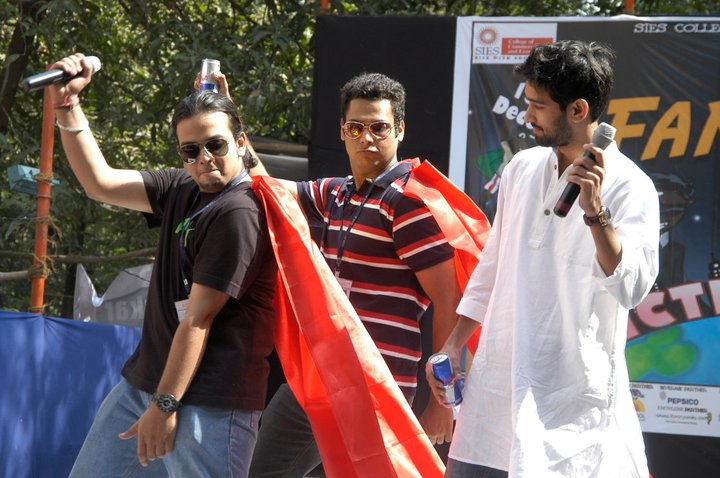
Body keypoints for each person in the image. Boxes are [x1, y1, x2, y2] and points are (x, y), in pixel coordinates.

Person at [427, 40, 660, 477]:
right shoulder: (521, 168)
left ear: (578, 110)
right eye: (527, 103)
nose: (527, 115)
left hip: (572, 408)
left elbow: (631, 288)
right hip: (495, 393)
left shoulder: (631, 186)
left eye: (538, 106)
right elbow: (493, 265)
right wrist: (454, 344)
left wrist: (595, 212)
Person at [50, 53, 277, 477]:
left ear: (241, 142)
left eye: (216, 144)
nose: (203, 158)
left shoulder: (240, 210)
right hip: (145, 386)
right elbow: (99, 182)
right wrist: (67, 105)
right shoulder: (181, 186)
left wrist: (165, 404)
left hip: (209, 402)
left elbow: (198, 319)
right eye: (190, 150)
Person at [248, 72, 463, 476]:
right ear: (342, 131)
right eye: (356, 128)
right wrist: (231, 128)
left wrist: (442, 402)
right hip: (323, 376)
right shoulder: (337, 192)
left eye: (379, 127)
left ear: (400, 130)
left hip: (376, 384)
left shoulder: (406, 202)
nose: (367, 138)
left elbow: (449, 298)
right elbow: (267, 187)